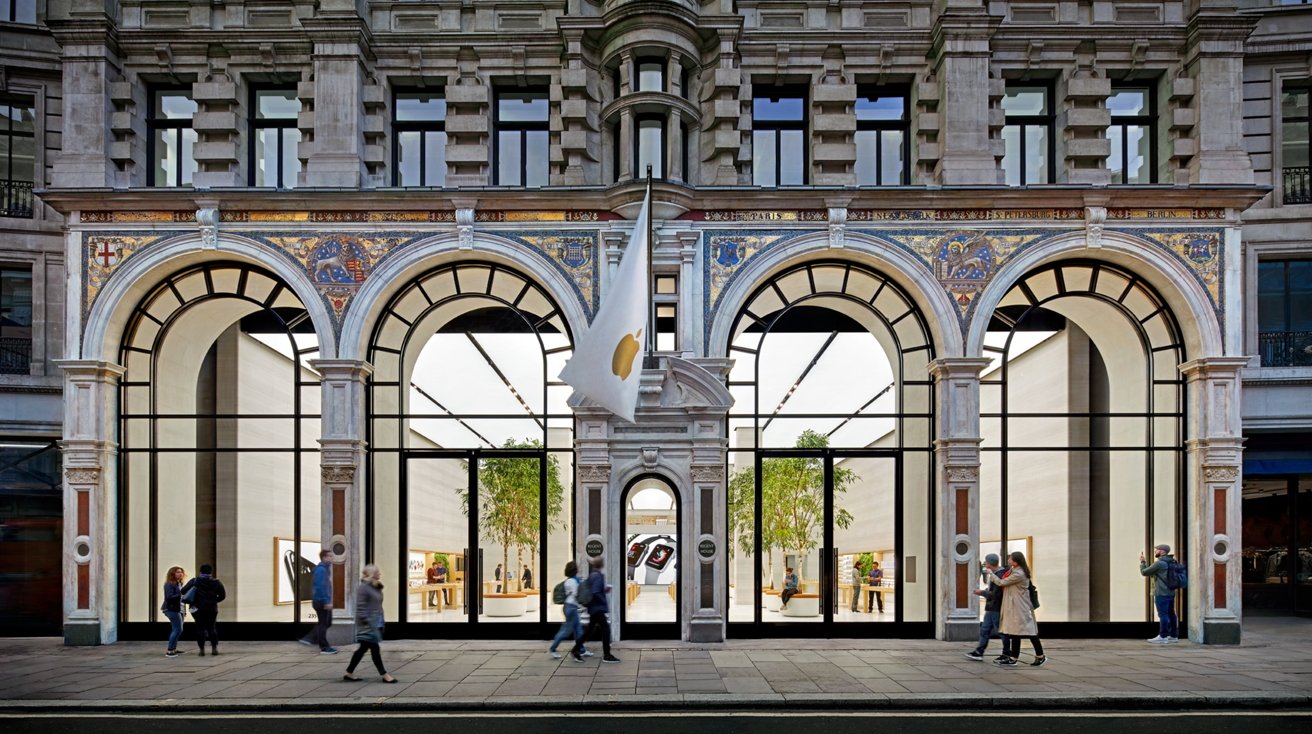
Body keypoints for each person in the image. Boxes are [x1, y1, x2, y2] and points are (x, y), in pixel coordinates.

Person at [343, 564, 397, 683]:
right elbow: (361, 607)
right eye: (377, 572)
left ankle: (349, 672)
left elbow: (377, 605)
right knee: (374, 648)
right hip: (367, 624)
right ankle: (384, 674)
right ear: (372, 574)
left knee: (362, 649)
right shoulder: (364, 587)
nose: (379, 574)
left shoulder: (374, 586)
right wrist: (367, 622)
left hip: (375, 621)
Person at [991, 551, 1046, 667]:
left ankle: (1040, 656)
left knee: (1030, 633)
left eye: (1010, 558)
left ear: (1016, 561)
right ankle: (1013, 657)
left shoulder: (1019, 573)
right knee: (1015, 632)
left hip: (1021, 607)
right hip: (1015, 606)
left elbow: (1001, 582)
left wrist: (991, 575)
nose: (1008, 560)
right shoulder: (1014, 570)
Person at [572, 556, 619, 664]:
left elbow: (595, 590)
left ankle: (576, 650)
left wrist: (604, 590)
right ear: (601, 564)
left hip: (593, 608)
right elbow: (595, 592)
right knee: (605, 630)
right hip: (598, 608)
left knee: (589, 631)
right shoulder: (597, 576)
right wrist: (603, 600)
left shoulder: (592, 575)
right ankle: (607, 655)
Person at [964, 554, 1007, 661]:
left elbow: (996, 595)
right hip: (991, 607)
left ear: (989, 563)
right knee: (985, 630)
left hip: (996, 607)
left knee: (1001, 631)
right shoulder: (994, 574)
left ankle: (1007, 653)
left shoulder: (999, 575)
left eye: (986, 561)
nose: (985, 563)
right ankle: (979, 652)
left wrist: (982, 592)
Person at [181, 563, 226, 657]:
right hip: (211, 608)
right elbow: (222, 595)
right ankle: (214, 648)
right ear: (211, 572)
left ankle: (202, 649)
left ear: (200, 571)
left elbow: (183, 591)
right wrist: (214, 601)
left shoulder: (195, 581)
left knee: (200, 628)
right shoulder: (216, 582)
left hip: (197, 608)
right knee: (212, 628)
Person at [548, 561, 590, 660]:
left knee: (578, 630)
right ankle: (553, 649)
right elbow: (576, 594)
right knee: (566, 631)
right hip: (571, 608)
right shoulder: (572, 581)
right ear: (575, 570)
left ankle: (582, 650)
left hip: (570, 607)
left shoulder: (569, 580)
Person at [1141, 544, 1180, 644]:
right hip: (1171, 592)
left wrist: (1142, 562)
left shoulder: (1160, 563)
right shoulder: (1173, 561)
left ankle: (1163, 636)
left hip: (1161, 593)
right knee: (1172, 614)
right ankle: (1173, 635)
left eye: (1157, 550)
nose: (1155, 551)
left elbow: (1145, 572)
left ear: (1162, 552)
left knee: (1163, 614)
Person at [312, 549, 336, 654]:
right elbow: (321, 587)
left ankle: (316, 639)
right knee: (323, 623)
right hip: (320, 601)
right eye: (330, 556)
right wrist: (326, 602)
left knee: (327, 622)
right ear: (324, 557)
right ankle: (324, 647)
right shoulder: (321, 570)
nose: (332, 558)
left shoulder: (325, 569)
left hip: (322, 600)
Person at [161, 566, 187, 657]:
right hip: (171, 609)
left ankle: (174, 648)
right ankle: (170, 651)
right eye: (178, 572)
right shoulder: (169, 584)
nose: (180, 574)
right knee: (178, 629)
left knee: (177, 629)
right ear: (172, 574)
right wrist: (181, 594)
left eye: (181, 572)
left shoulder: (179, 583)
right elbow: (169, 597)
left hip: (179, 609)